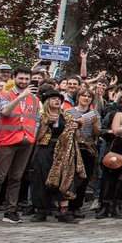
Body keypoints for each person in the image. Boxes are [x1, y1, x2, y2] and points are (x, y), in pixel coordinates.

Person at [30, 90, 82, 223]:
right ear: (47, 102)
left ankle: (63, 211)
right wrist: (46, 123)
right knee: (41, 177)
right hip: (44, 149)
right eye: (53, 99)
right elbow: (37, 138)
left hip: (63, 151)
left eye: (58, 99)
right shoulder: (40, 116)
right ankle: (40, 210)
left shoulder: (67, 117)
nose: (57, 101)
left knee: (64, 178)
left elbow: (77, 137)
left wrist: (77, 127)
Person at [0, 68, 40, 223]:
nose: (24, 82)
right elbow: (5, 111)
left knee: (16, 177)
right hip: (7, 141)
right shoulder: (5, 94)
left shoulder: (34, 99)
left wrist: (33, 135)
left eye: (27, 79)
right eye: (21, 78)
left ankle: (10, 211)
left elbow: (36, 119)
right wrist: (21, 96)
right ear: (14, 78)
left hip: (26, 141)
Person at [65, 87, 101, 218]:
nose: (86, 98)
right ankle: (67, 205)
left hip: (88, 148)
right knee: (71, 177)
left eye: (89, 96)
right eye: (83, 96)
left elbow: (97, 133)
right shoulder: (69, 112)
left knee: (83, 178)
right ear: (78, 98)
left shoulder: (94, 113)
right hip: (73, 147)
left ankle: (77, 206)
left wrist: (95, 123)